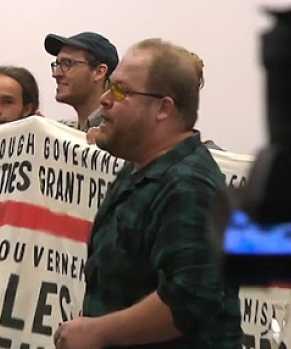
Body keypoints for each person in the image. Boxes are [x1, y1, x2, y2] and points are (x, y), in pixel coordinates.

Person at [53, 39, 242, 349]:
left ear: (163, 108)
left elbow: (190, 297)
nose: (104, 100)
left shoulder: (188, 185)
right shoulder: (140, 168)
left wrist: (100, 331)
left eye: (120, 91)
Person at [44, 31, 119, 132]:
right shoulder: (64, 130)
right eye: (57, 64)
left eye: (67, 63)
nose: (56, 74)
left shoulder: (117, 133)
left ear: (99, 72)